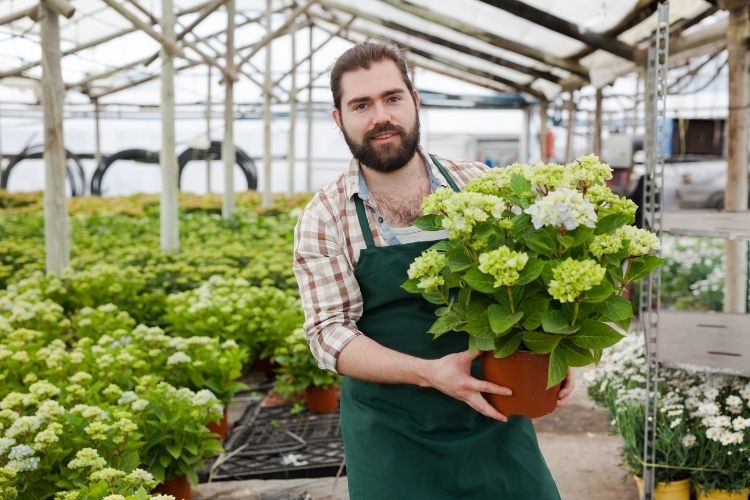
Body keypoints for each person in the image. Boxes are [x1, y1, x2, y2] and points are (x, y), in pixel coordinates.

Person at [293, 42, 573, 499]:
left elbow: (531, 283)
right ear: (338, 118)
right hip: (391, 435)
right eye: (361, 105)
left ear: (415, 102)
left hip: (493, 415)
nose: (380, 116)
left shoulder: (479, 186)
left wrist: (551, 350)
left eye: (392, 98)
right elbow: (328, 335)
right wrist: (429, 372)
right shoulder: (325, 216)